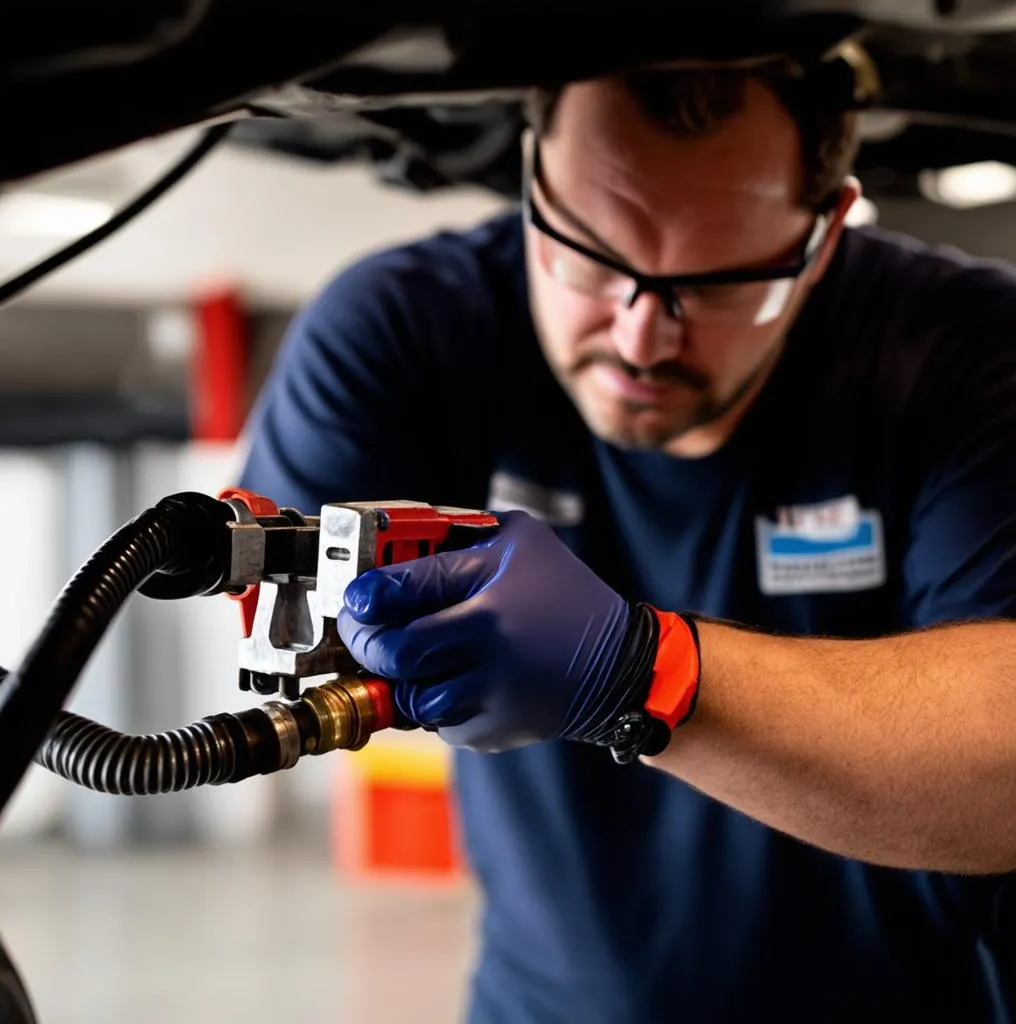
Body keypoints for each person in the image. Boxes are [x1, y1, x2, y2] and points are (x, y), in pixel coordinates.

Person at [237, 49, 1016, 1023]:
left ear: (821, 238)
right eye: (592, 257)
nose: (642, 336)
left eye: (718, 281)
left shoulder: (965, 356)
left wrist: (641, 673)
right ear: (532, 178)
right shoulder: (406, 330)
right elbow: (279, 620)